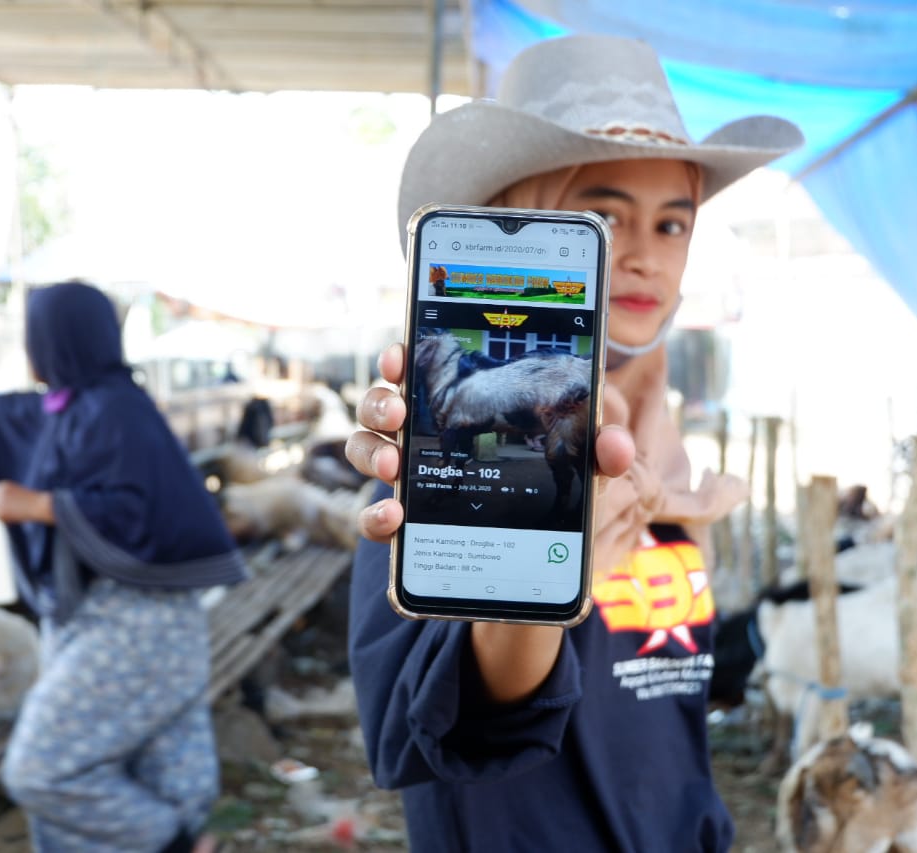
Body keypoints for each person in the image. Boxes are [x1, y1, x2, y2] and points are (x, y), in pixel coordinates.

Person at [343, 34, 802, 852]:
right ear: (523, 215)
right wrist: (543, 583)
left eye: (672, 223)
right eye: (598, 216)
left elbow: (660, 712)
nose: (642, 255)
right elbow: (457, 720)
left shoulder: (663, 455)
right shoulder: (444, 466)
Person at [0, 281, 246, 853]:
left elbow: (135, 506)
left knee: (42, 769)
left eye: (34, 335)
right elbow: (21, 412)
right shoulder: (81, 402)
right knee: (165, 774)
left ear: (58, 339)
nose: (28, 349)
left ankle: (171, 842)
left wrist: (38, 505)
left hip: (137, 623)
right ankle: (181, 833)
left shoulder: (113, 408)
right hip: (112, 618)